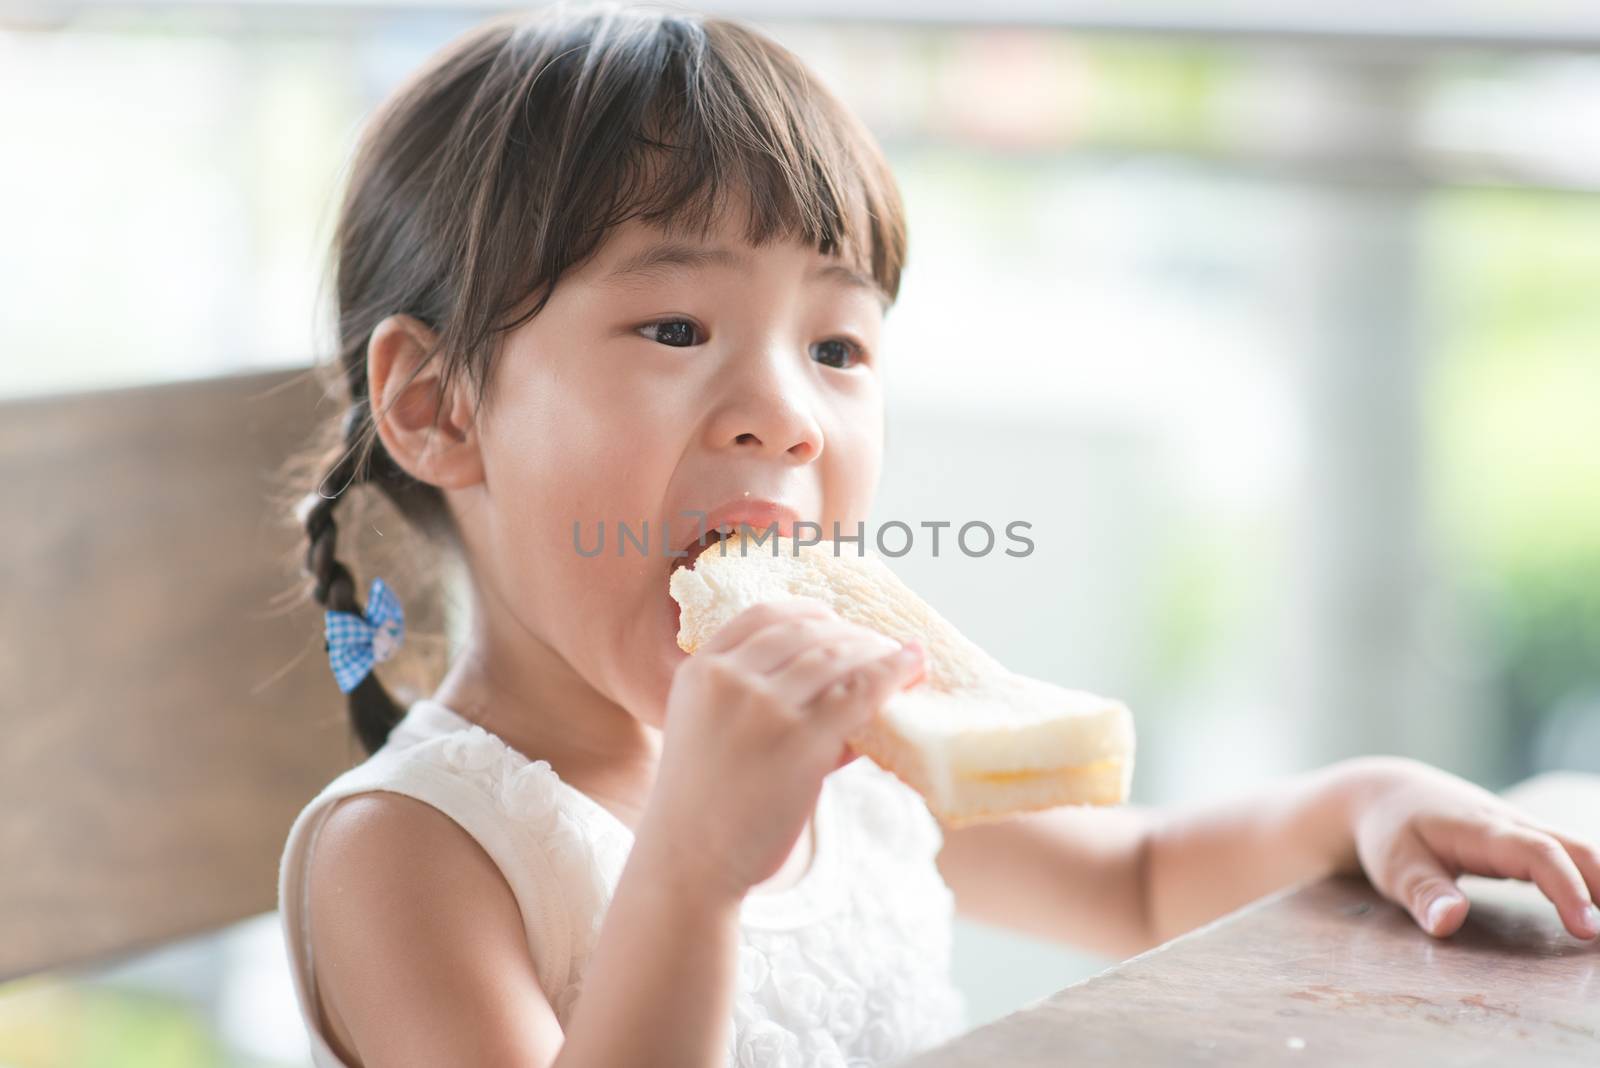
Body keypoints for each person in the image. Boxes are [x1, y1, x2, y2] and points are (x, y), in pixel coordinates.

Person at [274, 4, 1600, 1066]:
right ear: (436, 406)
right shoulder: (409, 853)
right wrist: (689, 872)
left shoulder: (853, 755)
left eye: (837, 345)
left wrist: (1360, 803)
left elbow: (1135, 883)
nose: (787, 418)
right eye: (676, 328)